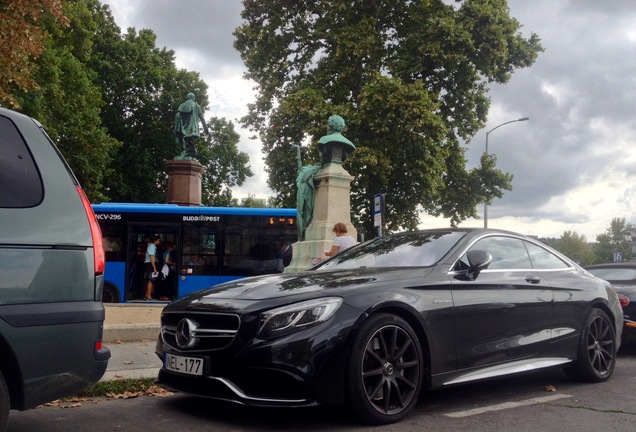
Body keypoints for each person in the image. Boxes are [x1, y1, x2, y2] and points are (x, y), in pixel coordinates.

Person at [174, 92, 209, 158]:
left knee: (186, 143)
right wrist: (206, 129)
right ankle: (190, 155)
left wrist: (178, 128)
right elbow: (201, 118)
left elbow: (177, 117)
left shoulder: (181, 106)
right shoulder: (196, 106)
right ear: (193, 98)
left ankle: (186, 154)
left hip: (182, 128)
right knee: (190, 144)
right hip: (191, 129)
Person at [144, 235, 161, 300]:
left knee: (150, 279)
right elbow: (151, 257)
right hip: (150, 264)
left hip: (149, 264)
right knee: (151, 280)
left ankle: (147, 294)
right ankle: (148, 295)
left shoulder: (151, 246)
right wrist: (154, 268)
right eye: (158, 240)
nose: (159, 242)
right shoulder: (152, 246)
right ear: (155, 241)